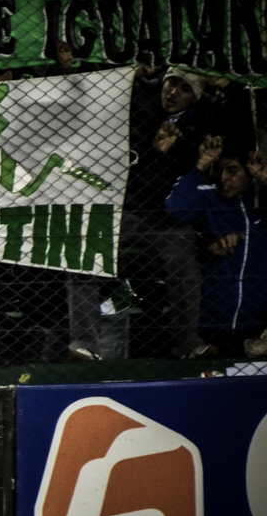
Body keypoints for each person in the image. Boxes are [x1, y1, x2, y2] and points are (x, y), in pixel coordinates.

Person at [67, 65, 225, 361]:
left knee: (184, 259)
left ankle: (188, 344)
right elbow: (130, 170)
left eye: (184, 88)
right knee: (84, 255)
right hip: (126, 210)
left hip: (166, 220)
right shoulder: (138, 111)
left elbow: (180, 179)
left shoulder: (202, 124)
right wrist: (154, 150)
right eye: (171, 84)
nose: (173, 92)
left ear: (195, 97)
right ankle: (84, 344)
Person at [165, 139, 267, 355]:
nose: (223, 179)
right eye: (219, 171)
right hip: (210, 322)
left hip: (258, 323)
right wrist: (202, 164)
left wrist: (264, 178)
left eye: (232, 171)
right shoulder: (208, 195)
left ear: (249, 171)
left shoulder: (260, 197)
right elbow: (175, 208)